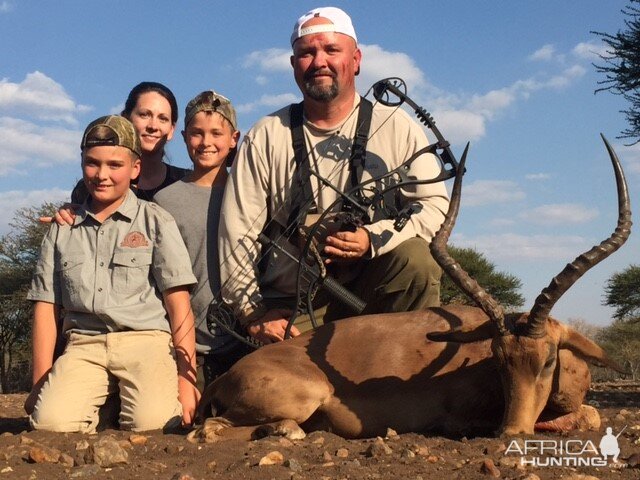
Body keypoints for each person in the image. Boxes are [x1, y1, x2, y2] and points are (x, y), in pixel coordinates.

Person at [218, 6, 450, 345]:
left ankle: (408, 379)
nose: (318, 61)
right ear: (294, 64)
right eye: (307, 53)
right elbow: (237, 234)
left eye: (331, 50)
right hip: (297, 307)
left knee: (418, 260)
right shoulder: (266, 134)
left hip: (378, 293)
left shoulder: (399, 127)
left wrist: (374, 239)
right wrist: (253, 314)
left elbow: (434, 209)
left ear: (355, 59)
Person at [25, 115, 199, 433]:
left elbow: (179, 304)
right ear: (82, 163)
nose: (102, 175)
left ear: (134, 169)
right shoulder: (62, 228)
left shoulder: (156, 221)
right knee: (49, 424)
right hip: (84, 344)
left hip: (146, 341)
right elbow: (46, 308)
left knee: (154, 425)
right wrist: (39, 384)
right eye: (93, 163)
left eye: (114, 165)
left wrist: (187, 382)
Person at [154, 90, 250, 385]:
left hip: (246, 340)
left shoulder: (252, 193)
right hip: (186, 345)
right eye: (197, 134)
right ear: (184, 137)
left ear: (234, 138)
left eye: (216, 133)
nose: (206, 142)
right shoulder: (165, 200)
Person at [70, 82, 189, 203]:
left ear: (171, 130)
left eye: (162, 119)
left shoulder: (187, 182)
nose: (153, 126)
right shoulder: (91, 187)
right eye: (144, 115)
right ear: (125, 119)